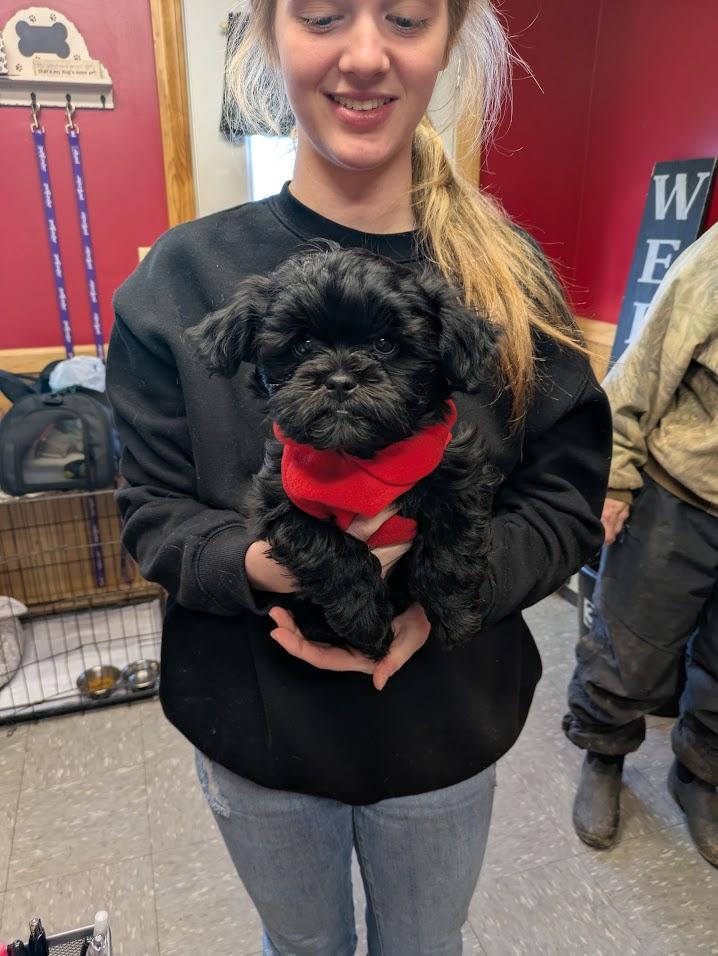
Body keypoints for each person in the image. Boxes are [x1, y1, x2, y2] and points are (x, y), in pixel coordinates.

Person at [105, 0, 611, 951]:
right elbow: (150, 514)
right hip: (254, 724)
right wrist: (276, 563)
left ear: (450, 39)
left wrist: (442, 594)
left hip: (444, 721)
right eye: (325, 14)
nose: (366, 55)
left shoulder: (509, 281)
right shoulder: (179, 279)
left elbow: (564, 502)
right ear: (267, 33)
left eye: (407, 17)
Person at [564, 221, 718, 868]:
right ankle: (604, 754)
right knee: (630, 644)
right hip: (681, 492)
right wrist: (616, 479)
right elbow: (642, 368)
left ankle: (700, 775)